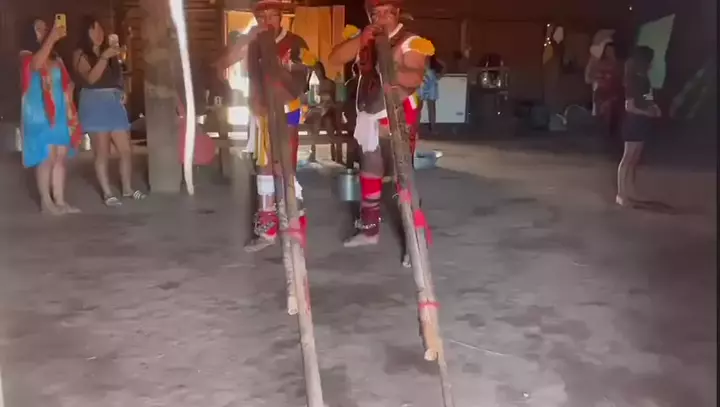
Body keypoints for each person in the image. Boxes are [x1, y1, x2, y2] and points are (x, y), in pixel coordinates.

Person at [329, 0, 432, 266]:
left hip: (398, 114)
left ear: (397, 14)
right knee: (370, 168)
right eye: (377, 14)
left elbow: (415, 77)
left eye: (387, 13)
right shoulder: (366, 37)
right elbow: (335, 59)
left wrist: (391, 65)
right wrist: (361, 39)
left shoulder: (411, 41)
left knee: (402, 175)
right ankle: (369, 229)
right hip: (368, 113)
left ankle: (415, 241)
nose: (382, 18)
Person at [242, 0, 314, 252]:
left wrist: (275, 62)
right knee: (263, 165)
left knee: (284, 163)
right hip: (262, 111)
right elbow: (253, 78)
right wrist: (253, 102)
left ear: (281, 17)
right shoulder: (254, 44)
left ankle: (294, 222)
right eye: (261, 18)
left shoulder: (296, 43)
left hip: (289, 110)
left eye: (272, 16)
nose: (267, 22)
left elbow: (299, 84)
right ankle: (267, 228)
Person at [73, 16, 146, 206]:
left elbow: (117, 77)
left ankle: (127, 189)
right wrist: (104, 56)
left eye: (100, 30)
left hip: (114, 102)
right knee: (102, 151)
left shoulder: (110, 52)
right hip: (95, 103)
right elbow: (91, 78)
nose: (99, 34)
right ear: (86, 32)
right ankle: (107, 193)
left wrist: (122, 92)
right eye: (94, 30)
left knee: (126, 149)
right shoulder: (80, 54)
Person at [20, 17, 82, 215]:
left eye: (46, 28)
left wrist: (69, 90)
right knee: (47, 156)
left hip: (59, 112)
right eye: (39, 29)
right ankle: (46, 203)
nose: (44, 31)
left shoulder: (56, 57)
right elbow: (35, 65)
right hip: (39, 113)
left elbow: (65, 81)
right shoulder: (26, 54)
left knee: (61, 157)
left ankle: (60, 200)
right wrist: (52, 38)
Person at [616, 46, 661, 207]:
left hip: (642, 123)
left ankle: (630, 190)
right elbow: (629, 106)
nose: (652, 63)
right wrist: (647, 112)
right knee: (628, 158)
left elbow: (647, 98)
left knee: (635, 159)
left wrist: (654, 107)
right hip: (633, 122)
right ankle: (621, 194)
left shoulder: (644, 79)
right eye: (651, 60)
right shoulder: (632, 80)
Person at [585, 41, 625, 157]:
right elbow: (589, 78)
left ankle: (613, 143)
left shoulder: (620, 65)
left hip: (615, 93)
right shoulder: (598, 63)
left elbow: (622, 79)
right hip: (601, 93)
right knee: (601, 116)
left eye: (611, 50)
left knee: (614, 118)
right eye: (607, 50)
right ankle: (602, 141)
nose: (609, 53)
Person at [418, 54, 444, 133]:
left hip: (431, 81)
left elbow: (444, 65)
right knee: (418, 106)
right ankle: (415, 127)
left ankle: (433, 128)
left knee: (431, 106)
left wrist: (441, 75)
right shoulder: (419, 56)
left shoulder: (433, 58)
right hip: (422, 80)